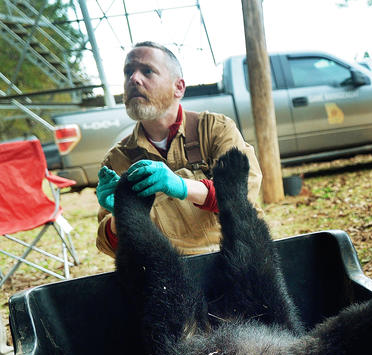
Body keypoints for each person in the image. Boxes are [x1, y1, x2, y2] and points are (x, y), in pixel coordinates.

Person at [95, 41, 263, 257]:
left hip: (237, 256)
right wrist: (121, 214)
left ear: (179, 87)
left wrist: (182, 186)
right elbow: (109, 247)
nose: (134, 79)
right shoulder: (117, 160)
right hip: (170, 273)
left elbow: (242, 195)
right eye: (128, 72)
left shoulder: (215, 129)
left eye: (147, 71)